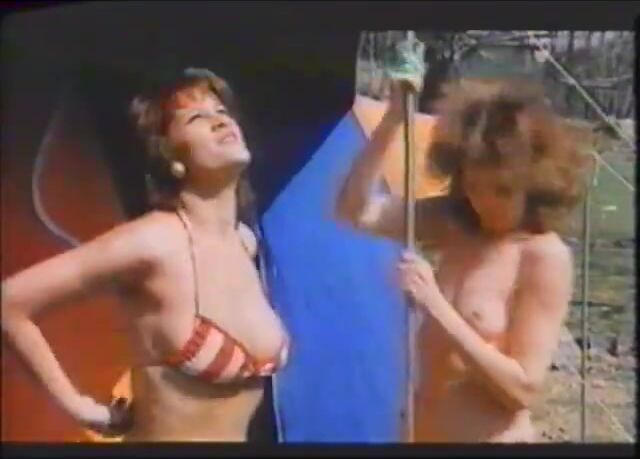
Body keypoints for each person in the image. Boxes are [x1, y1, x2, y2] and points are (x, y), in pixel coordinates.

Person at [2, 67, 289, 442]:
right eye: (197, 118)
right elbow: (11, 300)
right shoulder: (154, 241)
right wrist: (79, 406)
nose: (220, 122)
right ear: (170, 155)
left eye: (221, 111)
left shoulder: (244, 241)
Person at [335, 38, 591, 442]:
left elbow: (523, 390)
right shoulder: (455, 224)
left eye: (502, 190)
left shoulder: (543, 256)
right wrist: (392, 122)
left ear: (534, 183)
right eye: (474, 186)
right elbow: (356, 211)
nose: (485, 202)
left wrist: (435, 303)